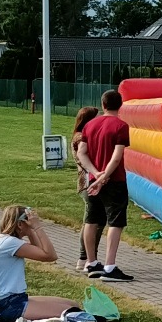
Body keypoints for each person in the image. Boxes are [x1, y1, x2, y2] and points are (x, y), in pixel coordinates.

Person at [0, 205, 80, 322]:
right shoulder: (10, 243)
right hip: (9, 306)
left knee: (73, 305)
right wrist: (37, 227)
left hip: (9, 302)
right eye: (27, 220)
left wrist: (29, 231)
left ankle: (28, 321)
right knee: (72, 312)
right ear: (20, 224)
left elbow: (40, 251)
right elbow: (50, 256)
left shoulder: (0, 240)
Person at [81, 90, 133, 282]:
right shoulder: (121, 126)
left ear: (102, 104)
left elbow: (82, 153)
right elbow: (116, 156)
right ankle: (110, 266)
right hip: (114, 181)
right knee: (115, 222)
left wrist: (95, 174)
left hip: (93, 180)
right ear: (120, 106)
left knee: (91, 219)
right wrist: (104, 177)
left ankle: (91, 262)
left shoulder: (90, 125)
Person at [69, 105, 100, 268]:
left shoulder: (79, 135)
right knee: (91, 221)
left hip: (87, 181)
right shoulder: (81, 138)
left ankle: (88, 256)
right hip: (89, 181)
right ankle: (85, 258)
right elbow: (87, 160)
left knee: (94, 220)